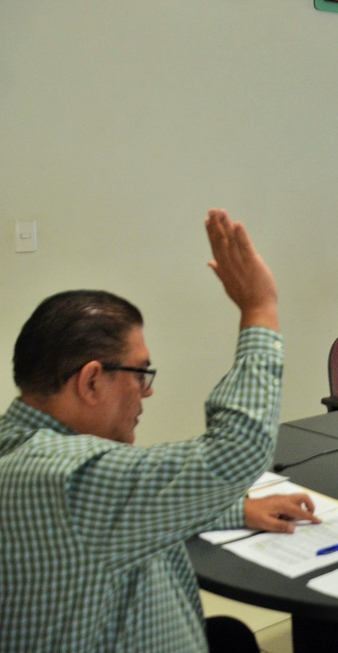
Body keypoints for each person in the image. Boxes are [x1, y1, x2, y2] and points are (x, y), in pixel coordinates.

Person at [0, 210, 319, 653]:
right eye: (139, 373)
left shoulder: (16, 445)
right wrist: (259, 309)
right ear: (90, 381)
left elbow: (112, 515)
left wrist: (234, 510)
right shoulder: (65, 477)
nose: (147, 391)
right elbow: (238, 448)